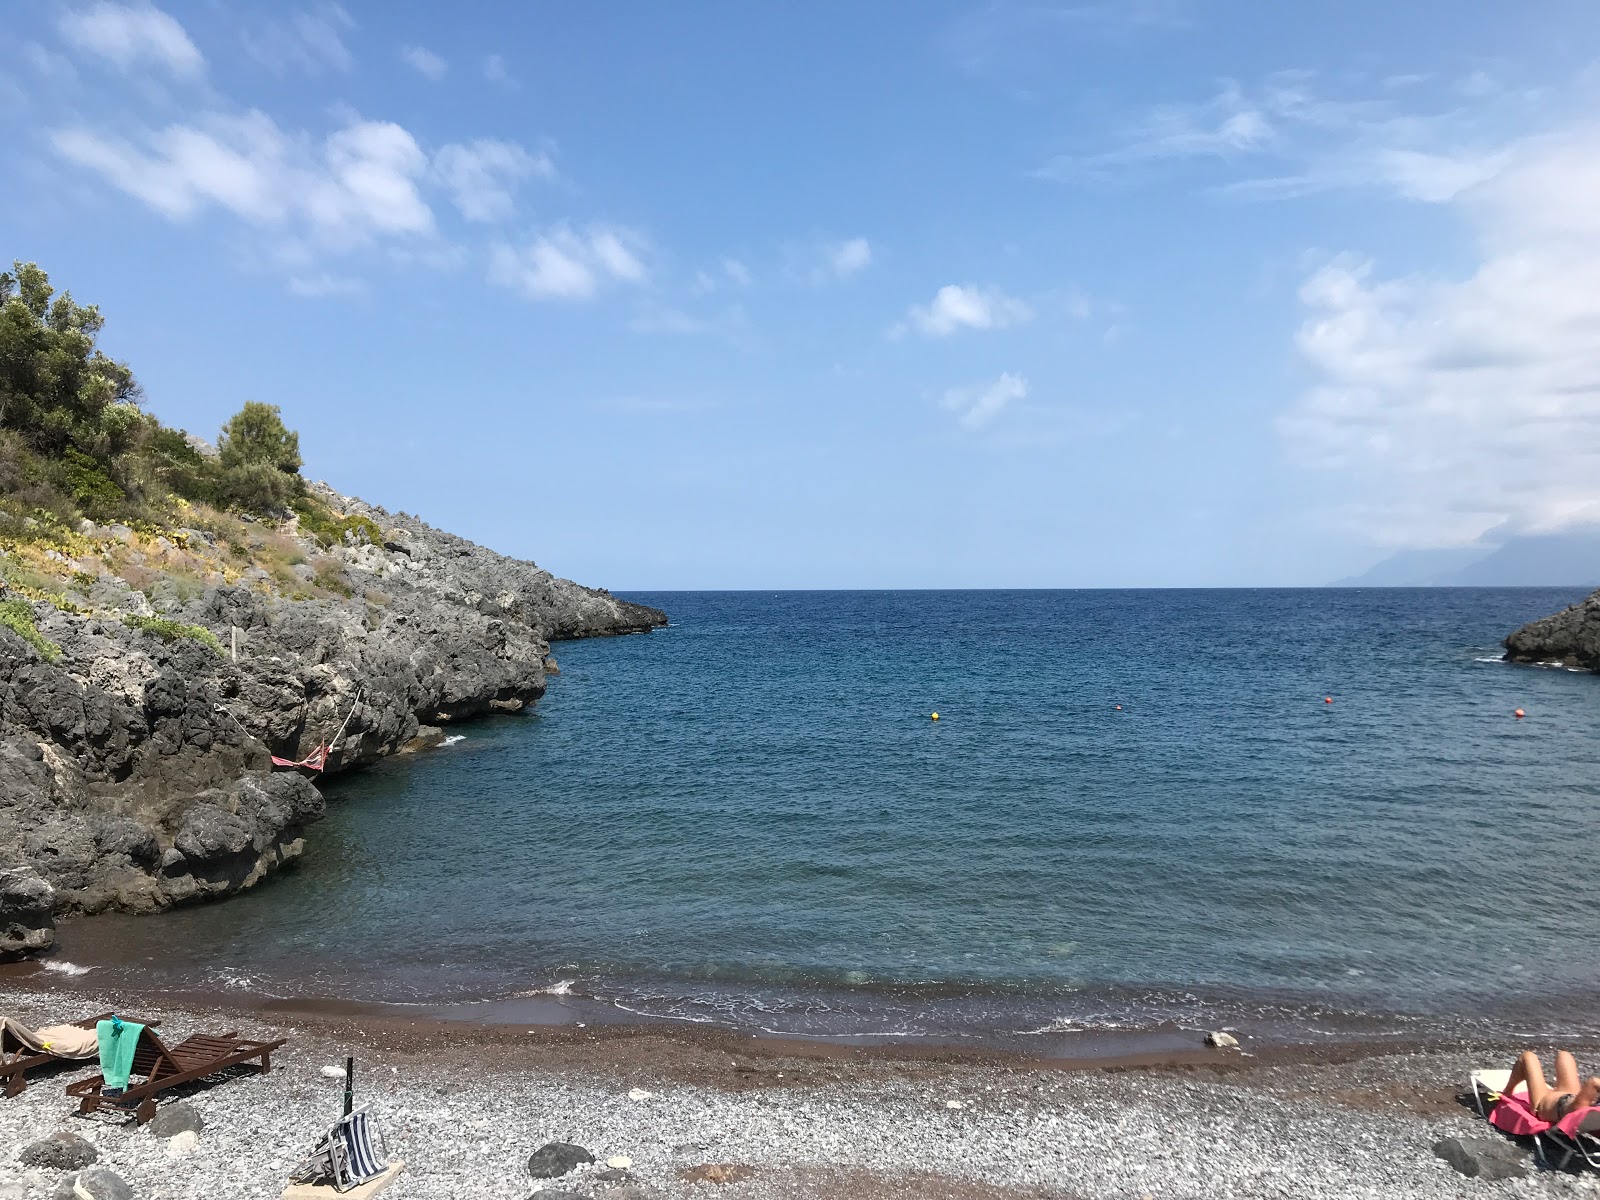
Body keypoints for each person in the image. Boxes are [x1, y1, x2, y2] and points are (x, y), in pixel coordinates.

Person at [1504, 1050, 1600, 1121]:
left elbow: (1594, 1082)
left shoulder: (1578, 1109)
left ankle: (1507, 1092)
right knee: (1564, 1055)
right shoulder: (1585, 1107)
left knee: (1527, 1056)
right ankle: (1555, 1091)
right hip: (1569, 1098)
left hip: (1542, 1104)